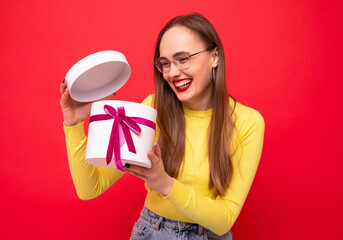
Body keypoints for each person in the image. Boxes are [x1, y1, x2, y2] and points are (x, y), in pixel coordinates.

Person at [60, 12, 265, 240]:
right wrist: (74, 124)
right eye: (165, 63)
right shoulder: (152, 110)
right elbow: (91, 188)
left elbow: (224, 218)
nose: (172, 73)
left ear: (214, 56)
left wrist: (164, 183)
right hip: (153, 232)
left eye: (183, 58)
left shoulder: (248, 122)